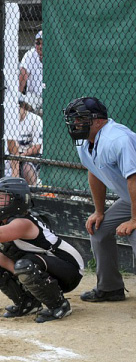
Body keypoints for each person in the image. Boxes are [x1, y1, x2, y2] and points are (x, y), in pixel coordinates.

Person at [0, 177, 84, 323]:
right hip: (47, 266)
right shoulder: (13, 220)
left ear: (16, 200)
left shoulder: (23, 222)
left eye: (1, 197)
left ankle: (59, 305)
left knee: (25, 265)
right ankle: (27, 303)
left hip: (69, 269)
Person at [63, 96, 135, 302]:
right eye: (74, 119)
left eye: (80, 119)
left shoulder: (118, 139)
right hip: (130, 197)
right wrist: (99, 211)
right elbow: (94, 172)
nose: (76, 124)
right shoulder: (85, 142)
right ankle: (110, 288)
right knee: (100, 231)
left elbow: (134, 179)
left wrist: (134, 220)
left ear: (98, 120)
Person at [8, 100, 43, 185]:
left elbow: (36, 147)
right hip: (11, 154)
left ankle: (32, 191)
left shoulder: (35, 119)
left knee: (27, 168)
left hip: (29, 155)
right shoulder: (8, 120)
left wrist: (20, 156)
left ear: (23, 106)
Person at [19, 31, 43, 112]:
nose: (40, 46)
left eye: (43, 43)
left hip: (53, 94)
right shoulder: (30, 55)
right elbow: (23, 76)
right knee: (25, 105)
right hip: (35, 95)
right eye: (38, 43)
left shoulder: (56, 54)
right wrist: (17, 96)